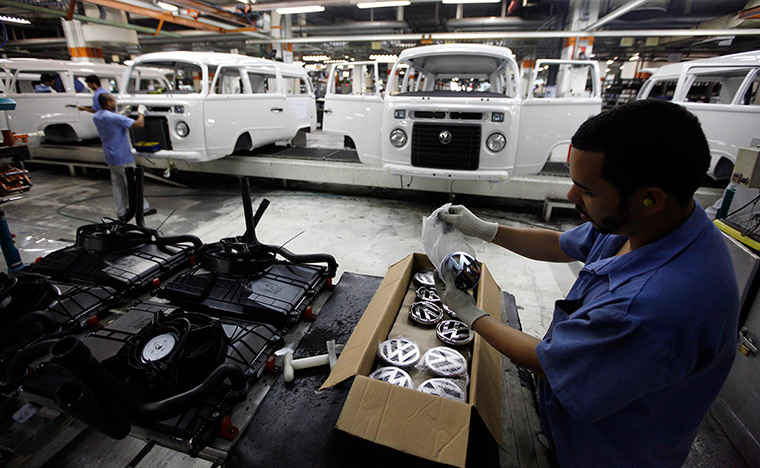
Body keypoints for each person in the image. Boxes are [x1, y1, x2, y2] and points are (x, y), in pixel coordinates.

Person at [436, 99, 740, 468]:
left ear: (651, 199)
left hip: (600, 453)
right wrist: (484, 229)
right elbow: (560, 244)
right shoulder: (648, 226)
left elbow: (548, 364)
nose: (570, 196)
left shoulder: (657, 308)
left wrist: (471, 314)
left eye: (587, 191)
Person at [92, 93, 156, 221]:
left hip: (110, 156)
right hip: (123, 156)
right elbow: (139, 124)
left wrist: (122, 114)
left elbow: (115, 121)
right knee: (133, 184)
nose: (115, 103)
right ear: (109, 103)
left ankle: (121, 212)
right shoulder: (114, 118)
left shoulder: (97, 117)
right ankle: (142, 209)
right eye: (113, 101)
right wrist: (141, 112)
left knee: (117, 184)